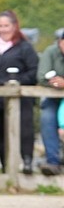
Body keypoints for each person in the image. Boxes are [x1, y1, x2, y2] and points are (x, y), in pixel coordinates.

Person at [0, 10, 38, 174]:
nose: (3, 29)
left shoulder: (24, 47)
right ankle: (6, 169)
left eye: (6, 25)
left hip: (19, 98)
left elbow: (33, 72)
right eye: (0, 25)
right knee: (0, 135)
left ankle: (27, 162)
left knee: (24, 130)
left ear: (15, 26)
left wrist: (15, 81)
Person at [37, 28, 64, 176]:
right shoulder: (50, 52)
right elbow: (42, 77)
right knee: (47, 118)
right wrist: (56, 84)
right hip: (53, 98)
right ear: (60, 42)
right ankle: (53, 162)